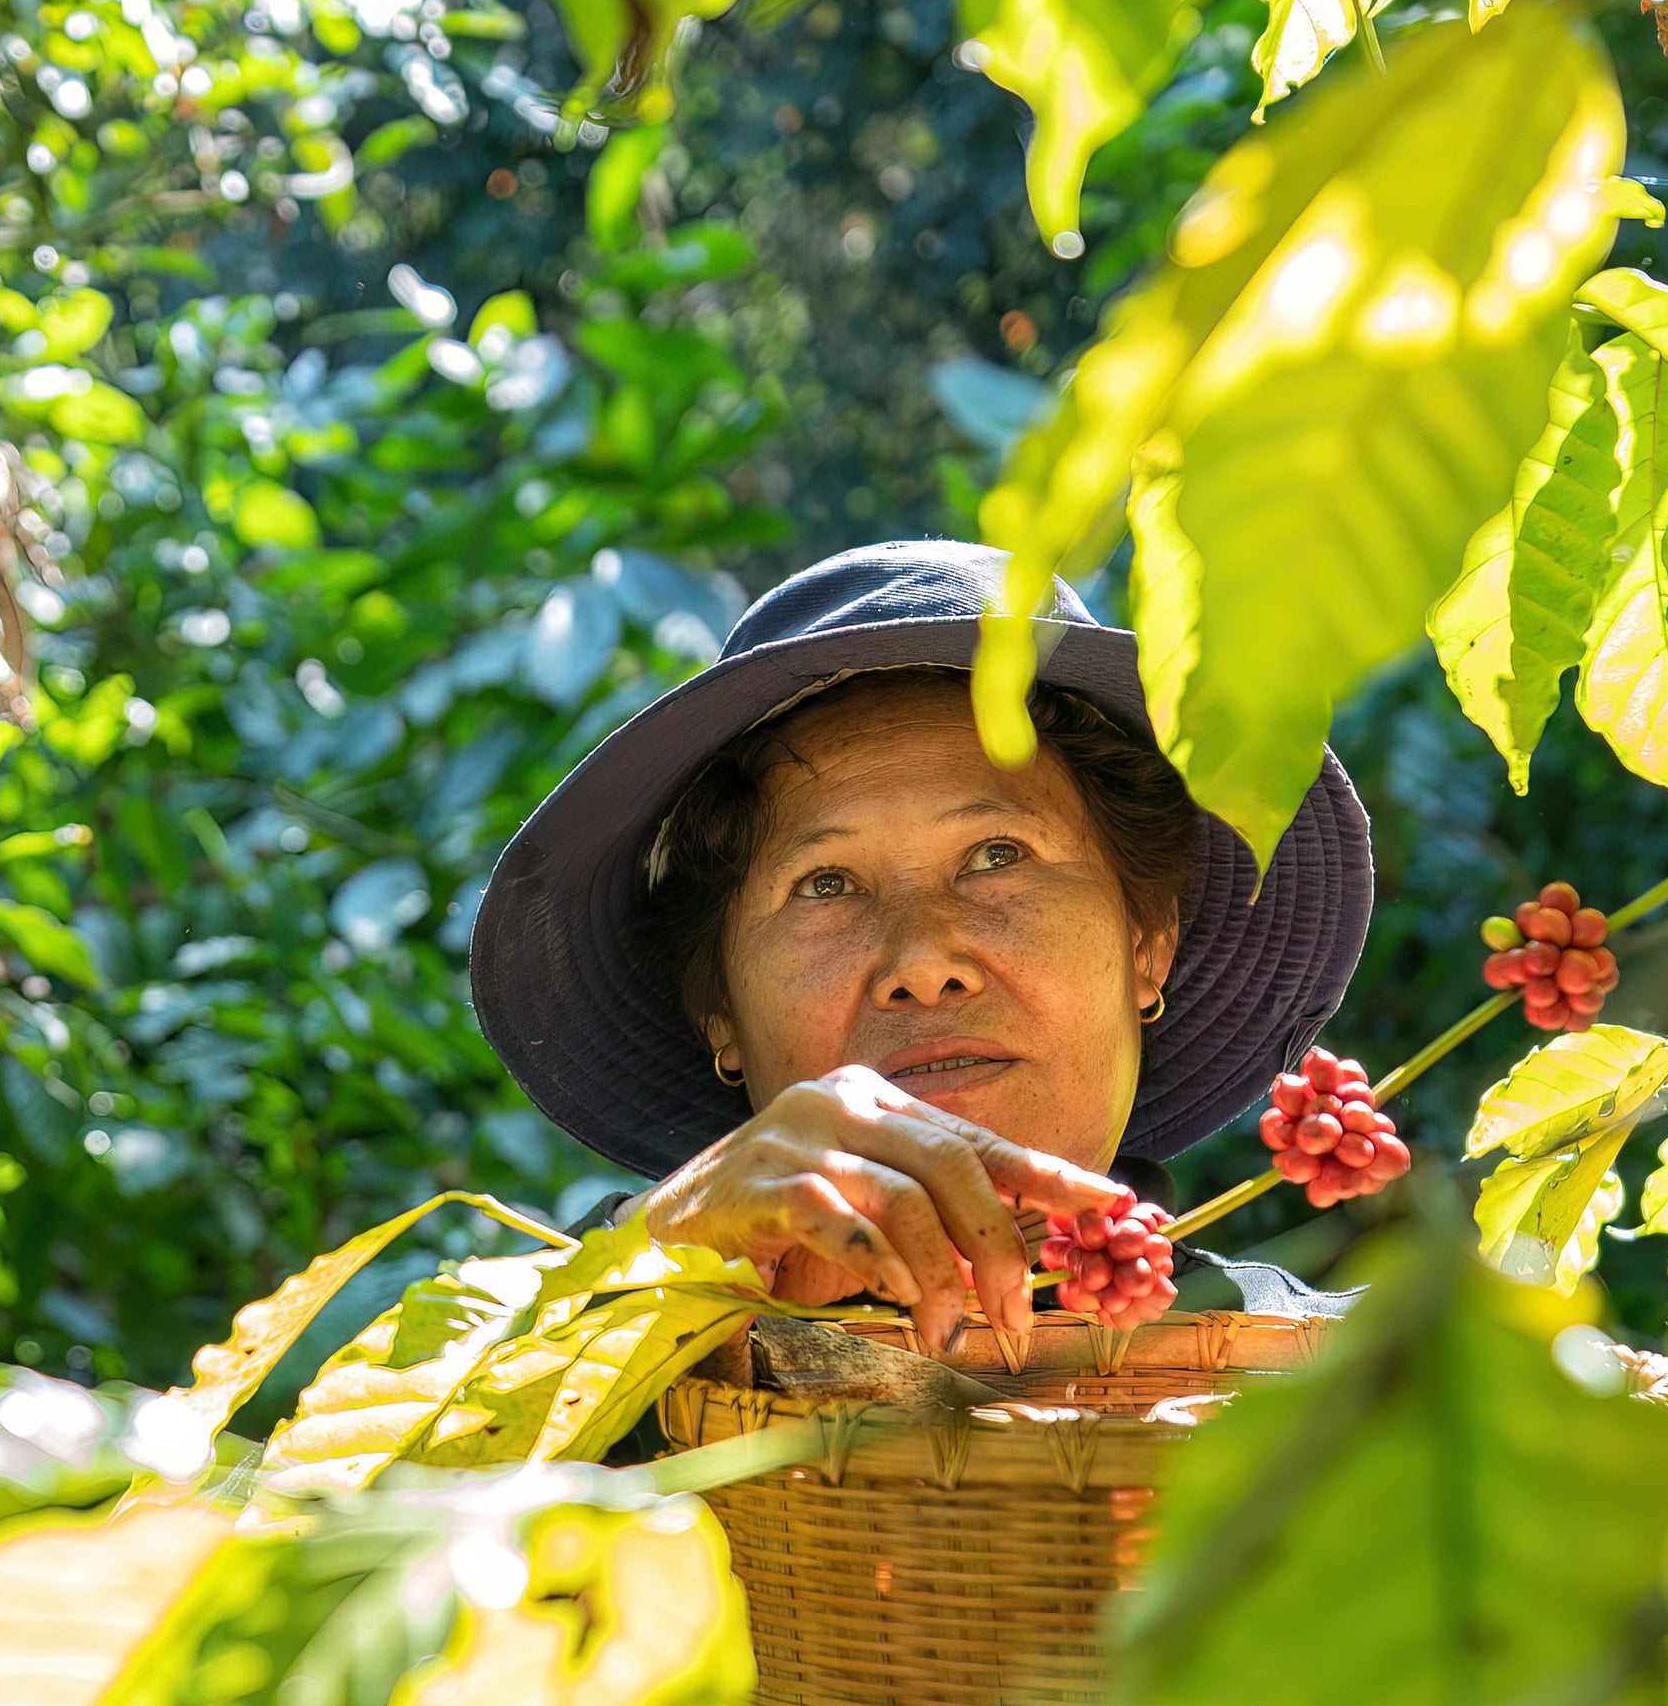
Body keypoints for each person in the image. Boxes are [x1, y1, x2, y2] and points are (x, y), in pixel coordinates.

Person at [468, 540, 1374, 1355]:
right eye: (825, 884)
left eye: (995, 857)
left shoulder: (1355, 1399)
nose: (922, 962)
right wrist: (646, 1263)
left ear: (1146, 944)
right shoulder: (581, 1384)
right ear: (721, 1013)